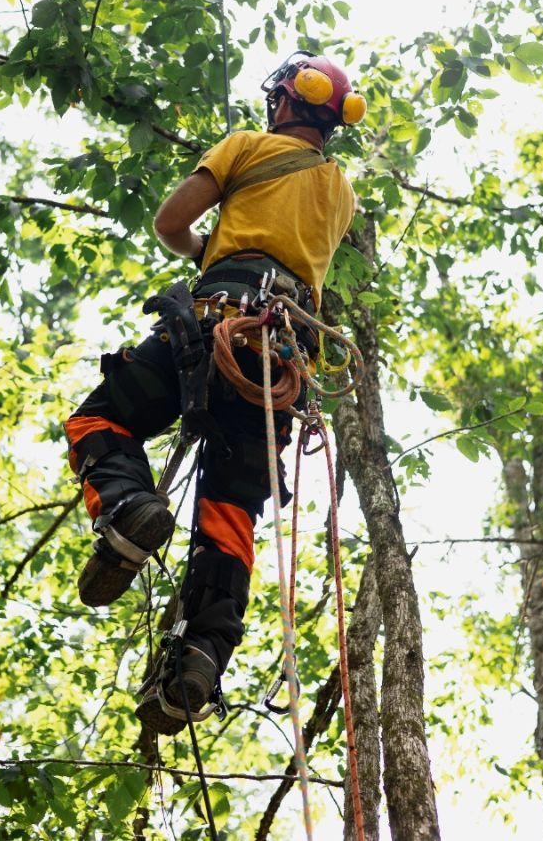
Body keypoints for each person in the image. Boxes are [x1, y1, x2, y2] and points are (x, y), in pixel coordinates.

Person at [64, 52, 365, 734]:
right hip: (279, 368)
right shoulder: (341, 192)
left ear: (285, 101)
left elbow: (172, 222)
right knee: (230, 513)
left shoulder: (246, 147)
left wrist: (206, 247)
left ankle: (128, 508)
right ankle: (202, 653)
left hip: (215, 327)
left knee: (98, 420)